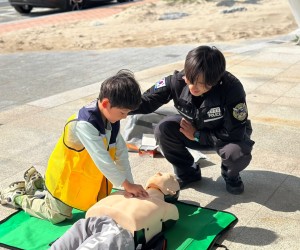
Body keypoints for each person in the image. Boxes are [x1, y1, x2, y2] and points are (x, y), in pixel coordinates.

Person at [0, 70, 149, 224]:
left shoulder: (111, 118)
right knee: (57, 215)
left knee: (99, 205)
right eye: (123, 112)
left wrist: (129, 184)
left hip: (85, 177)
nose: (124, 117)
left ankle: (36, 183)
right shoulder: (85, 124)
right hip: (65, 177)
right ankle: (16, 196)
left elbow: (121, 153)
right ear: (105, 104)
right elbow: (102, 158)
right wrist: (126, 184)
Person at [129, 45, 255, 195]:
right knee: (163, 129)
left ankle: (230, 174)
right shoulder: (176, 81)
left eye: (203, 84)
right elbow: (145, 101)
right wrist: (115, 106)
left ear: (216, 80)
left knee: (237, 154)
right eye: (191, 80)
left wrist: (197, 135)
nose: (193, 88)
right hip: (192, 129)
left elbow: (235, 132)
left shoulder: (232, 88)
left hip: (224, 137)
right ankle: (188, 172)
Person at [50, 172, 180, 250]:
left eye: (162, 174)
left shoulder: (124, 191)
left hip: (100, 224)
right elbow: (173, 218)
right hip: (109, 227)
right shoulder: (165, 208)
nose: (158, 173)